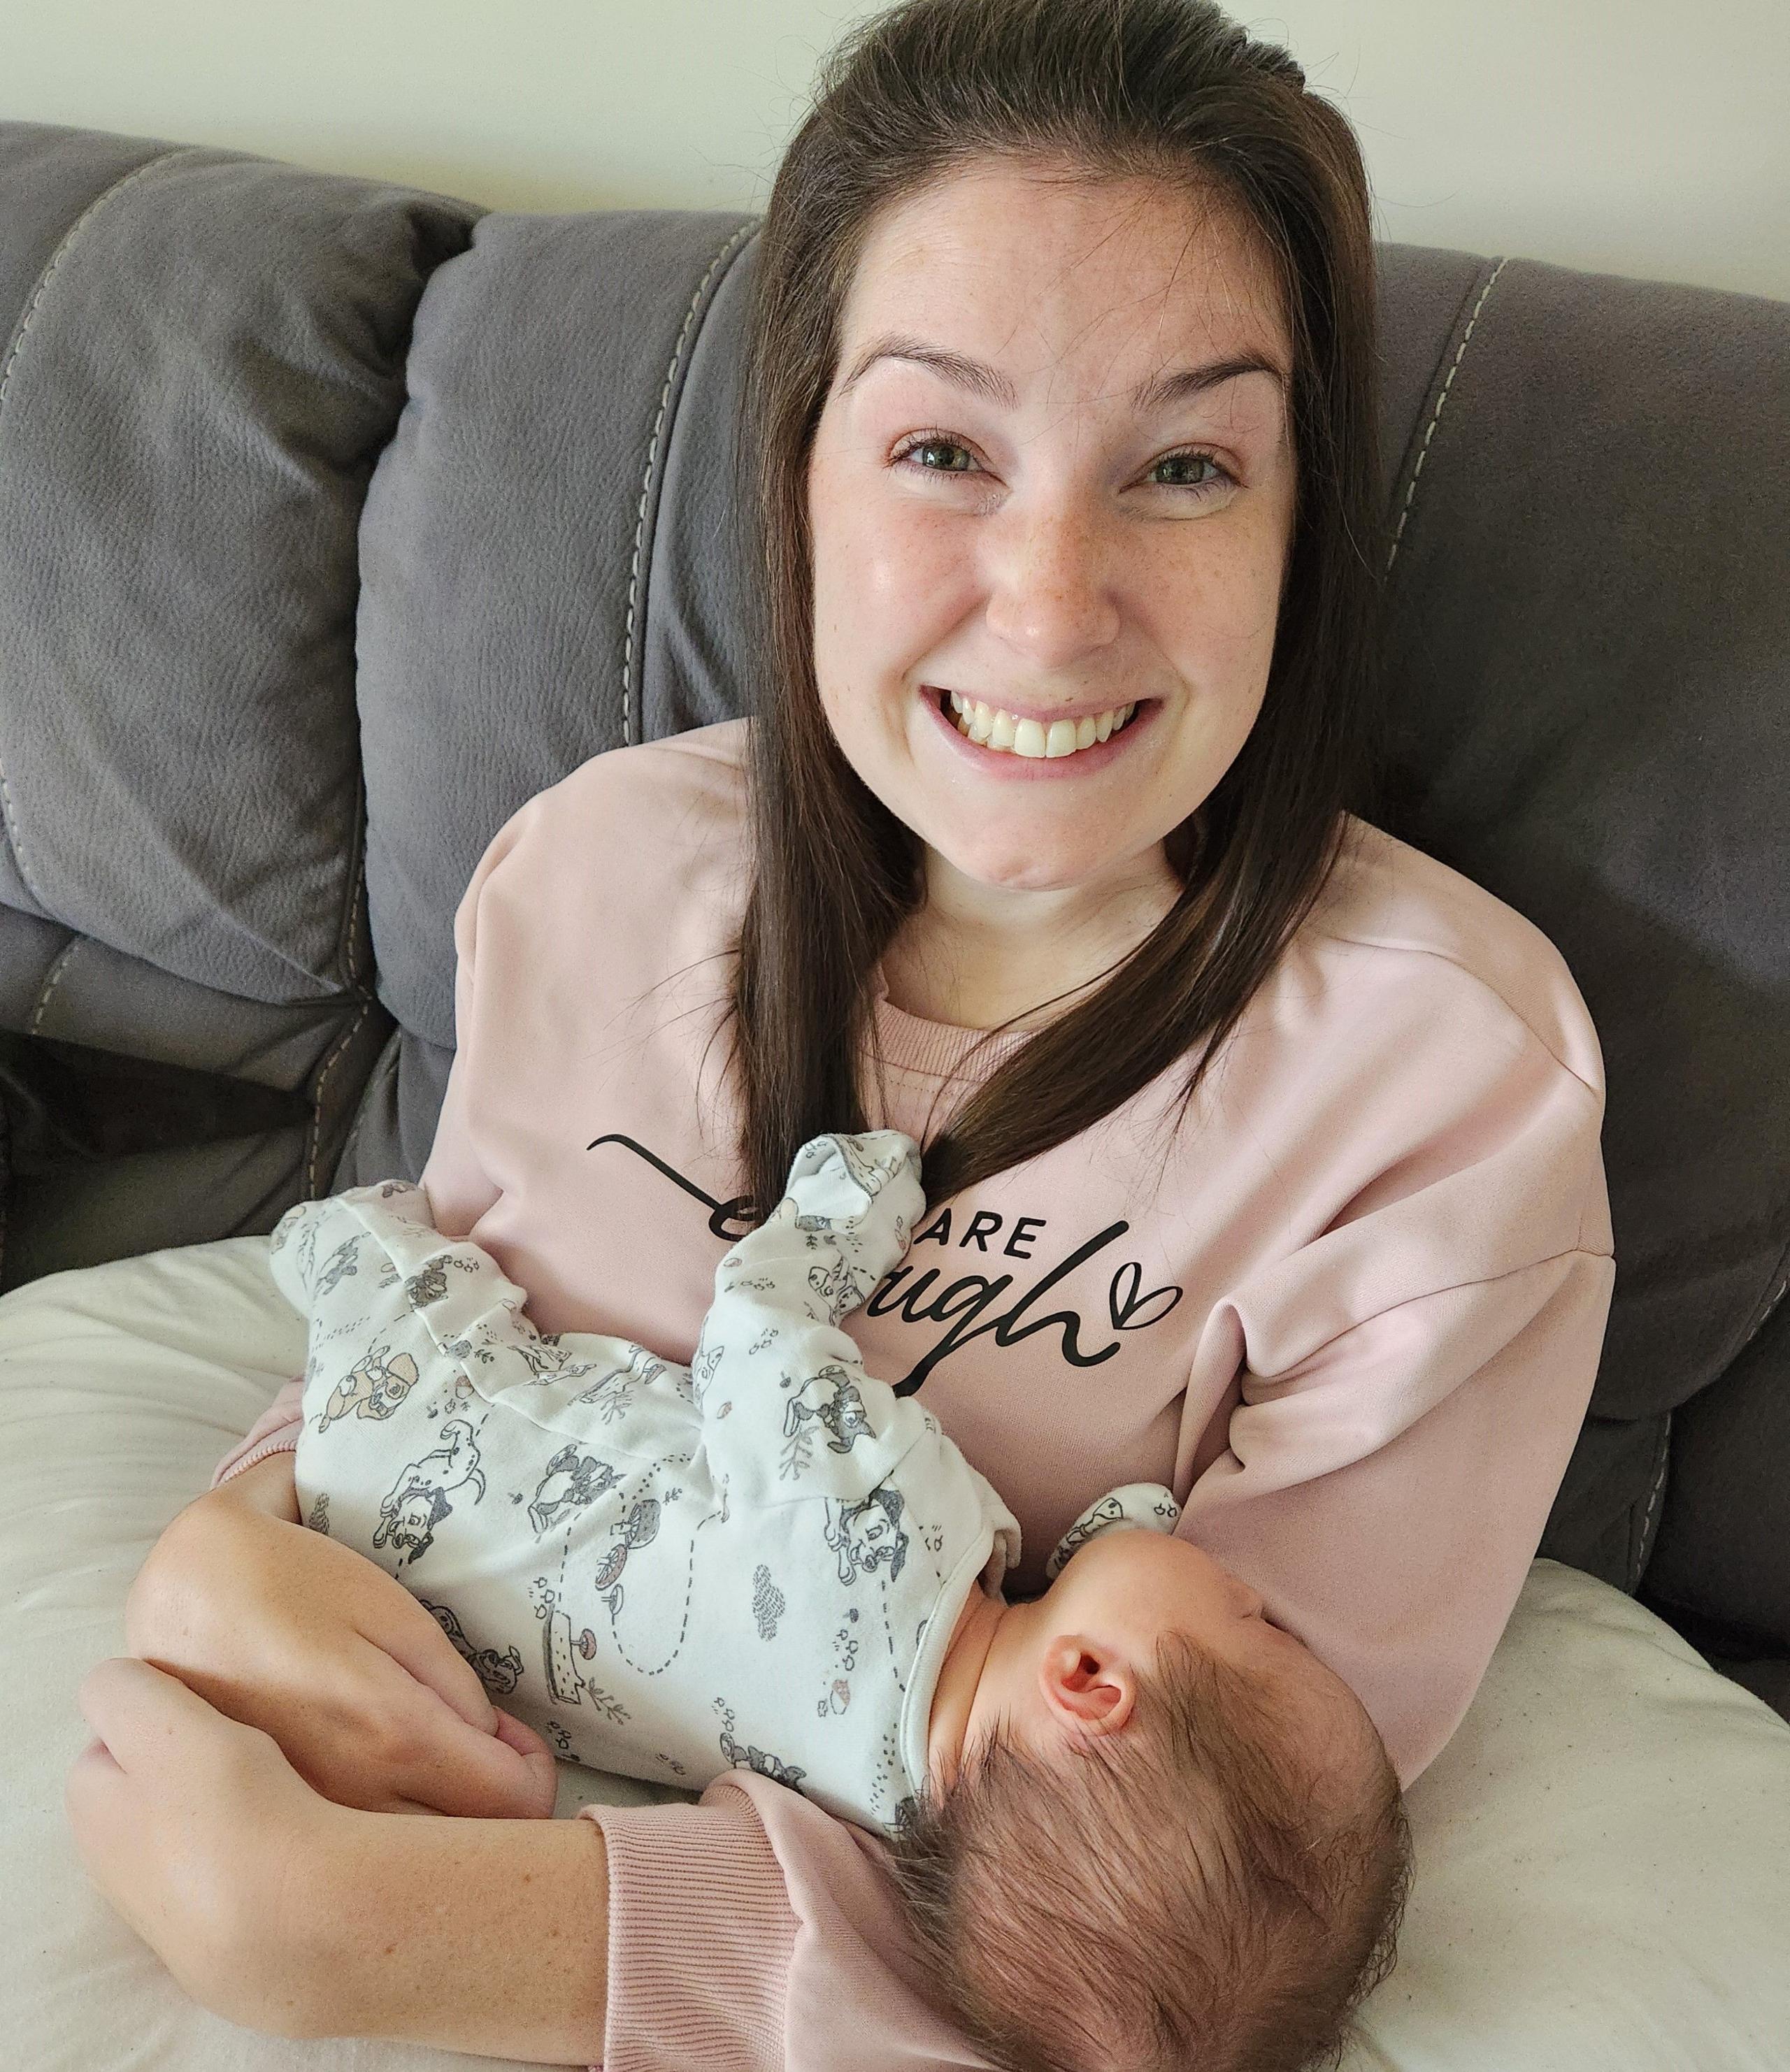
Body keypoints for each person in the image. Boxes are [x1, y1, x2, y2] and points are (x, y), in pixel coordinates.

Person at [85, 0, 1615, 2064]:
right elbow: (481, 1324)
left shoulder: (1448, 1102)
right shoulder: (593, 880)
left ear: (1301, 520)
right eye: (941, 449)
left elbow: (1182, 1918)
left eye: (1185, 463)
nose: (1053, 599)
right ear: (799, 468)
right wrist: (241, 1533)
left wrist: (390, 1935)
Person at [271, 1128, 1410, 2069]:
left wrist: (845, 1206)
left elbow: (758, 1335)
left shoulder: (894, 1538)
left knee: (381, 1253)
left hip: (423, 1429)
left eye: (1255, 1622)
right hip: (403, 1588)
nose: (1246, 1589)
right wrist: (1129, 1541)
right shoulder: (879, 1802)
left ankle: (323, 1241)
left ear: (1091, 1682)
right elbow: (1078, 1596)